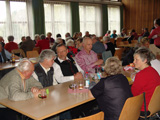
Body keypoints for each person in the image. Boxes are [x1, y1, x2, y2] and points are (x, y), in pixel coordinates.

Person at [131, 47, 160, 116]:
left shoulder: (141, 75)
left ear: (145, 60)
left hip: (145, 108)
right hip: (156, 105)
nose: (134, 62)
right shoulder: (153, 70)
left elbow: (133, 94)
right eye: (134, 59)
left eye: (136, 60)